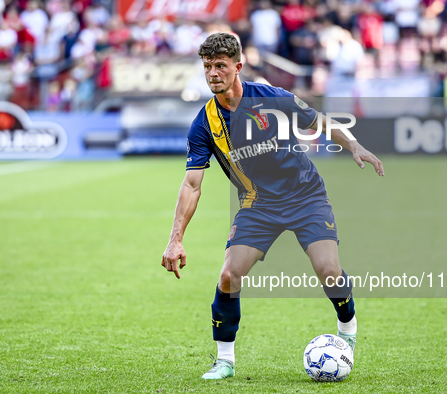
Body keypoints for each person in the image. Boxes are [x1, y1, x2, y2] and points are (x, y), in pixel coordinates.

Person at [161, 32, 384, 380]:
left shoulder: (272, 98)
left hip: (306, 196)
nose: (212, 74)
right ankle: (225, 360)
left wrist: (353, 145)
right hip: (258, 206)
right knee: (228, 275)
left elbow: (319, 121)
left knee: (328, 270)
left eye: (220, 66)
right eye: (207, 67)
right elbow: (192, 184)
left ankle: (348, 328)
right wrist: (176, 238)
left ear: (238, 66)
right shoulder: (204, 124)